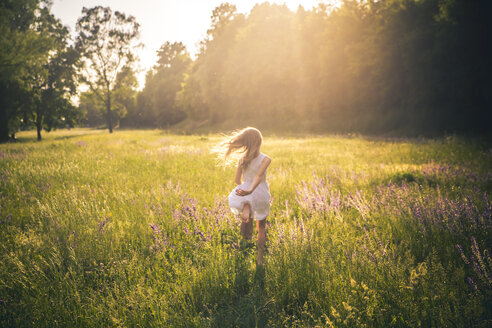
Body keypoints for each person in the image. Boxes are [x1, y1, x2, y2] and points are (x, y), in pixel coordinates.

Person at [214, 127, 271, 266]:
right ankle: (259, 259)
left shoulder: (242, 159)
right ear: (259, 142)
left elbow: (237, 180)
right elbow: (259, 176)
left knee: (247, 222)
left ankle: (246, 207)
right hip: (260, 192)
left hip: (246, 190)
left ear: (245, 142)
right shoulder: (266, 159)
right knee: (261, 227)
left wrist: (245, 189)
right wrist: (251, 190)